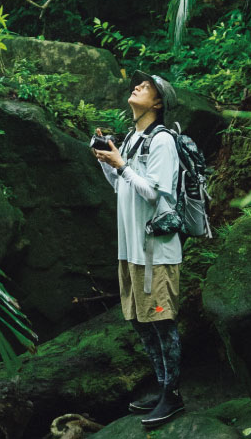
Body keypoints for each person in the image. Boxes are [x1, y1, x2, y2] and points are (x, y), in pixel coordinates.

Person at [92, 71, 184, 428]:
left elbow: (156, 193)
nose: (136, 87)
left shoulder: (163, 142)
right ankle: (162, 387)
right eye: (137, 84)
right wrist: (108, 163)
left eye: (145, 87)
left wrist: (124, 166)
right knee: (140, 321)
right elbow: (122, 186)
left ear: (158, 103)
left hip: (155, 252)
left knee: (161, 321)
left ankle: (173, 395)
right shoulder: (131, 138)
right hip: (130, 250)